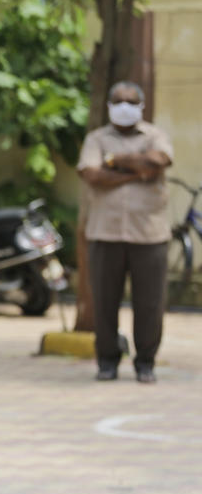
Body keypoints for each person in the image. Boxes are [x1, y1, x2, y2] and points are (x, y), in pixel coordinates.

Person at [77, 81, 173, 383]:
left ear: (141, 106)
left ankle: (146, 361)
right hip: (105, 233)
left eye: (131, 102)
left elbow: (160, 161)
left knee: (150, 302)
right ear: (108, 105)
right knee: (105, 301)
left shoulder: (155, 135)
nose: (124, 106)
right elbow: (92, 174)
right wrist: (138, 172)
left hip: (150, 234)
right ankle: (107, 360)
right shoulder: (96, 138)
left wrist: (115, 163)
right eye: (118, 101)